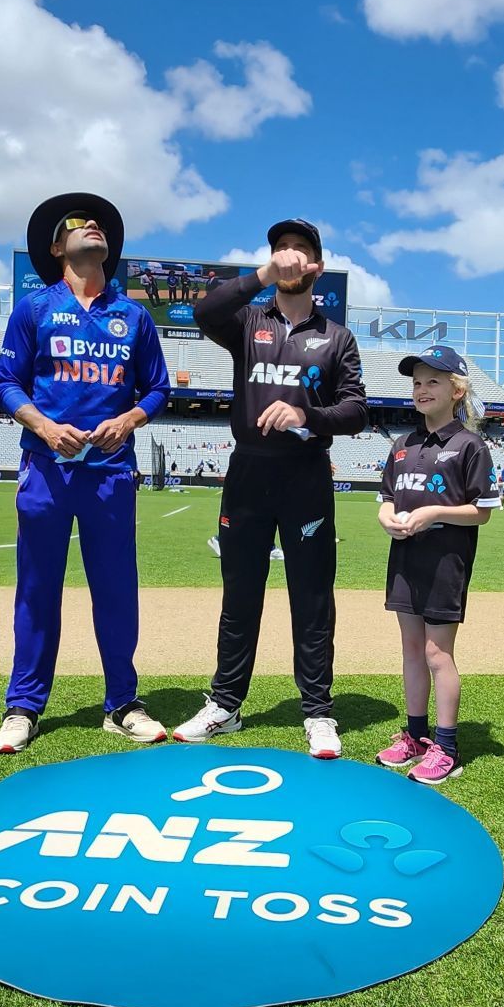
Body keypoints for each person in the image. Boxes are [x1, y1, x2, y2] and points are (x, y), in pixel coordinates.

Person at [172, 218, 368, 758]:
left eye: (298, 251)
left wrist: (305, 412)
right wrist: (261, 273)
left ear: (316, 268)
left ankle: (318, 712)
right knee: (240, 595)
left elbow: (356, 409)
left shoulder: (337, 337)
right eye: (280, 249)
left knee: (311, 599)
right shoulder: (248, 321)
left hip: (305, 477)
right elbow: (203, 311)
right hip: (248, 474)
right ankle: (226, 704)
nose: (288, 257)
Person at [0, 193, 171, 753]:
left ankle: (121, 703)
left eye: (99, 224)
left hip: (111, 473)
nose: (91, 225)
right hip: (46, 469)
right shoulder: (35, 309)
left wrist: (131, 417)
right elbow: (6, 382)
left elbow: (158, 387)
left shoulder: (134, 315)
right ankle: (23, 706)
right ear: (55, 247)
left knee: (115, 589)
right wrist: (44, 426)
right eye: (77, 223)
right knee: (37, 588)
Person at [373, 346, 500, 785]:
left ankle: (446, 746)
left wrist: (432, 514)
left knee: (436, 653)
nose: (422, 389)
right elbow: (388, 498)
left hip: (446, 562)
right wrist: (387, 516)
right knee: (411, 649)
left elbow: (482, 510)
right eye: (417, 382)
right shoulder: (403, 445)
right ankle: (415, 734)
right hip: (405, 560)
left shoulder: (470, 445)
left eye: (433, 381)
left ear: (456, 389)